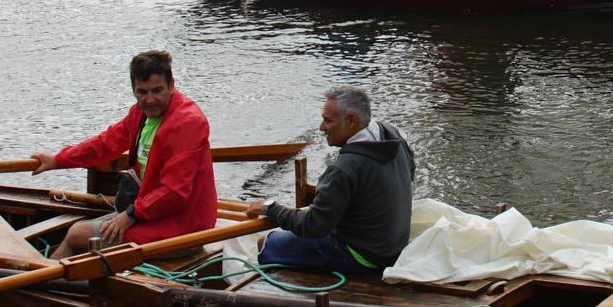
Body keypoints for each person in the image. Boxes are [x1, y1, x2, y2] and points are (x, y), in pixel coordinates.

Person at [30, 50, 216, 259]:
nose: (150, 99)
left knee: (77, 234)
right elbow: (105, 144)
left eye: (157, 90)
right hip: (153, 214)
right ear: (134, 90)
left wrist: (130, 215)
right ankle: (45, 282)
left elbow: (174, 192)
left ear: (172, 85)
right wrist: (58, 160)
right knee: (81, 234)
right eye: (142, 92)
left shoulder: (187, 122)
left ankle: (34, 283)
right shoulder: (140, 113)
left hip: (184, 227)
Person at [245, 86, 415, 277]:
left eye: (328, 120)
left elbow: (312, 226)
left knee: (265, 243)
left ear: (351, 120)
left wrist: (270, 208)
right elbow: (410, 172)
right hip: (392, 248)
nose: (321, 127)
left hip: (362, 257)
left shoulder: (344, 168)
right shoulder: (392, 135)